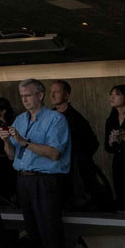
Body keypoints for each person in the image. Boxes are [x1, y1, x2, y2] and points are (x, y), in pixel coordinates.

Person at [0, 78, 72, 248]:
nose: (24, 99)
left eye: (28, 95)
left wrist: (23, 141)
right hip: (24, 179)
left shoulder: (55, 119)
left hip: (46, 180)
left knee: (51, 236)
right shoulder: (20, 119)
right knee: (35, 237)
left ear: (40, 95)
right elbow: (13, 155)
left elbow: (54, 153)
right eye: (22, 96)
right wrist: (7, 142)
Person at [48, 80, 111, 211]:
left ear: (66, 95)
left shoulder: (76, 118)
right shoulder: (48, 116)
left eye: (57, 92)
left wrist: (77, 160)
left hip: (72, 170)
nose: (52, 95)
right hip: (52, 168)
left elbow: (92, 143)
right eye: (51, 92)